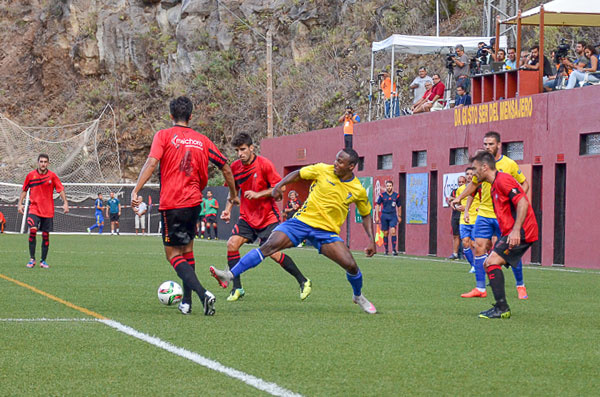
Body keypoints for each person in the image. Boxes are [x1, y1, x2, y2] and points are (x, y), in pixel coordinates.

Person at [210, 148, 378, 314]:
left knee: (351, 266)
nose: (335, 163)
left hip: (326, 232)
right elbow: (298, 173)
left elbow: (365, 214)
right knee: (268, 246)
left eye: (340, 162)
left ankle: (358, 296)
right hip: (300, 223)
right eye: (336, 159)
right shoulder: (322, 169)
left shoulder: (358, 190)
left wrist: (371, 239)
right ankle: (229, 275)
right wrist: (279, 185)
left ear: (351, 166)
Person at [131, 95, 239, 316]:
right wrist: (233, 194)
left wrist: (136, 190)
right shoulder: (203, 140)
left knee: (172, 255)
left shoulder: (163, 135)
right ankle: (187, 302)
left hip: (172, 202)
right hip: (193, 203)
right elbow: (226, 167)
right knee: (188, 251)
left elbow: (152, 162)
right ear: (191, 116)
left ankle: (202, 294)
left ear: (171, 116)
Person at [219, 132, 311, 302]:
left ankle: (303, 281)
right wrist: (228, 209)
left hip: (267, 218)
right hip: (247, 217)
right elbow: (233, 192)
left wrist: (258, 194)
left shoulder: (264, 164)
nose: (240, 153)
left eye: (243, 149)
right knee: (232, 244)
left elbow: (281, 189)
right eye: (237, 150)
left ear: (252, 148)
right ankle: (237, 288)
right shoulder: (235, 168)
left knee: (274, 255)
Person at [452, 131, 529, 300]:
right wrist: (459, 197)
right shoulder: (481, 164)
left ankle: (520, 285)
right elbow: (473, 185)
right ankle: (480, 288)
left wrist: (517, 200)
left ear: (499, 145)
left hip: (503, 215)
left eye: (491, 144)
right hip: (484, 213)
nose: (487, 147)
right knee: (479, 247)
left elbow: (524, 182)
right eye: (485, 144)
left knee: (511, 251)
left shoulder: (509, 164)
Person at [468, 151, 538, 319]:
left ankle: (502, 307)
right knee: (488, 263)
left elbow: (522, 201)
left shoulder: (503, 179)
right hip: (510, 231)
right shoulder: (493, 186)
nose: (474, 174)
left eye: (476, 169)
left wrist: (515, 230)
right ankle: (501, 306)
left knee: (491, 262)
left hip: (522, 231)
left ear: (485, 168)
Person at [18, 153, 69, 268]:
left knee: (45, 235)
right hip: (34, 209)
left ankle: (43, 261)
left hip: (47, 210)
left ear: (48, 163)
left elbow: (60, 190)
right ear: (38, 163)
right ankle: (32, 259)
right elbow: (25, 190)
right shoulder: (31, 176)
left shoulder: (52, 176)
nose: (43, 164)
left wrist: (65, 203)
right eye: (41, 162)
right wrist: (20, 204)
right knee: (33, 230)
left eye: (45, 162)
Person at [452, 167, 480, 273]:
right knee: (465, 243)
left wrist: (479, 208)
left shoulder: (479, 187)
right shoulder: (461, 189)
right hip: (464, 219)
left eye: (471, 174)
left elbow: (483, 201)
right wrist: (459, 207)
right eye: (467, 174)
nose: (469, 176)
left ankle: (480, 264)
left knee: (474, 244)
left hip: (476, 218)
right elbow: (458, 202)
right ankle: (473, 266)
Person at [375, 180, 401, 256]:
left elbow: (399, 206)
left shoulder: (396, 196)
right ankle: (386, 250)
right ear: (386, 187)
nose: (389, 187)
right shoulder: (382, 195)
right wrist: (377, 216)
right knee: (385, 233)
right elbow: (378, 205)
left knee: (393, 231)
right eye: (387, 186)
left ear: (392, 187)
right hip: (384, 216)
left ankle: (394, 250)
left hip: (393, 215)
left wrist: (399, 216)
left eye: (390, 186)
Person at [447, 176, 466, 260]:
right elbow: (450, 202)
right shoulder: (454, 191)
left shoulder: (468, 191)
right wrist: (451, 200)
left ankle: (463, 254)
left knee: (465, 236)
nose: (461, 183)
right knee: (456, 235)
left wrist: (454, 199)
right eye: (459, 182)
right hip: (455, 215)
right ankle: (455, 254)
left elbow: (462, 201)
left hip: (464, 215)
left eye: (462, 182)